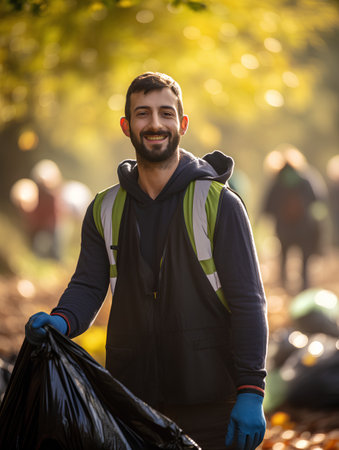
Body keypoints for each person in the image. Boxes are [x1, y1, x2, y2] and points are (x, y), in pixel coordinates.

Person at [25, 72, 268, 450]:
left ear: (182, 124)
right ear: (126, 126)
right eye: (143, 114)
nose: (155, 124)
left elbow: (249, 301)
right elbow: (89, 285)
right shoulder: (104, 209)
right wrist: (60, 321)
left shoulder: (219, 203)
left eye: (165, 114)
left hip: (210, 402)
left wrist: (251, 390)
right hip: (132, 400)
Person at [262, 146, 326, 293]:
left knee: (283, 256)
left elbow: (268, 206)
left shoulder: (276, 180)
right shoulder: (306, 178)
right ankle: (305, 287)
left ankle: (283, 286)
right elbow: (318, 200)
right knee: (304, 259)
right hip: (304, 227)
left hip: (284, 228)